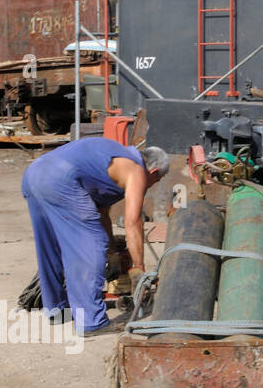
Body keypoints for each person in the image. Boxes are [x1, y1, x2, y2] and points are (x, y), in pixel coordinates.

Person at [21, 139, 168, 333]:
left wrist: (113, 253)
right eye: (155, 181)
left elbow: (103, 214)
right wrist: (138, 268)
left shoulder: (113, 160)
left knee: (51, 247)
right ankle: (91, 321)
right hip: (60, 179)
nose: (151, 185)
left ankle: (58, 311)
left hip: (34, 174)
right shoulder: (136, 170)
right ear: (153, 172)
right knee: (89, 246)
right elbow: (133, 222)